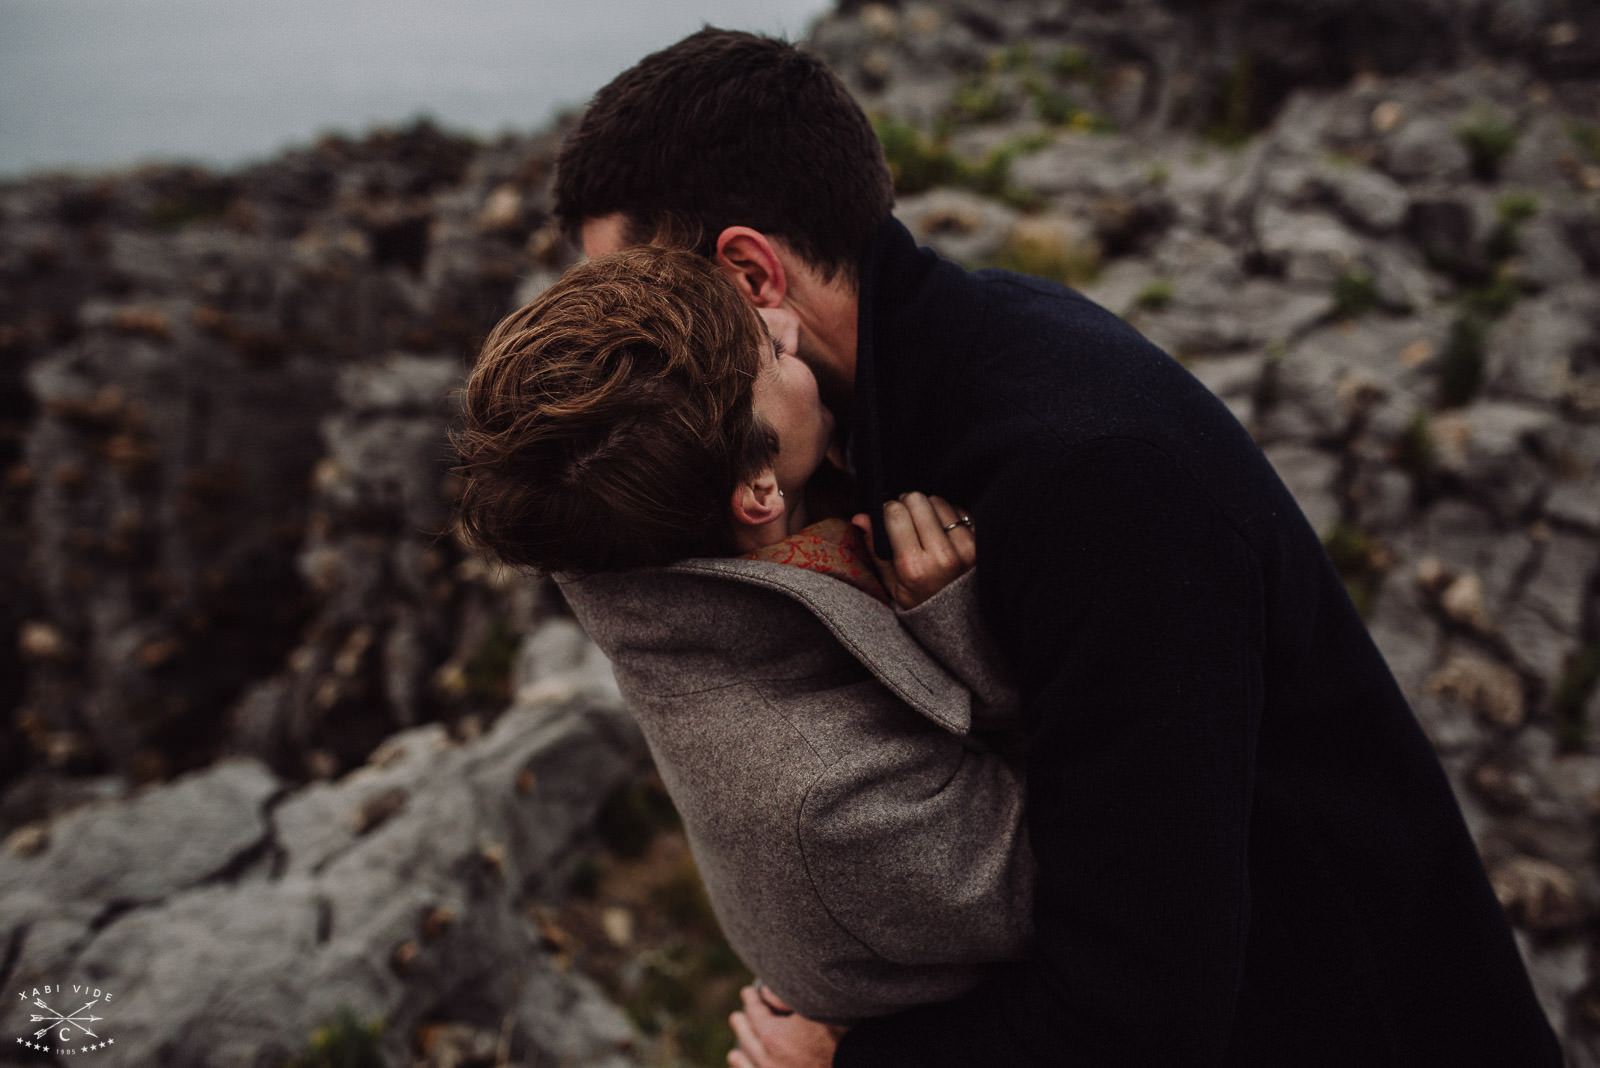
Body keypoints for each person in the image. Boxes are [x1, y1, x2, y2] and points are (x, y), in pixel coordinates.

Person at [550, 27, 1563, 1068]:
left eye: (645, 302)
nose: (635, 345)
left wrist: (845, 1061)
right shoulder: (927, 377)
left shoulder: (1087, 475)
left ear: (752, 273)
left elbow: (1140, 1009)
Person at [453, 244, 1036, 1023]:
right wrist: (964, 634)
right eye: (768, 353)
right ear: (758, 489)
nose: (785, 325)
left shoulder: (649, 551)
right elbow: (1101, 863)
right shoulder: (827, 799)